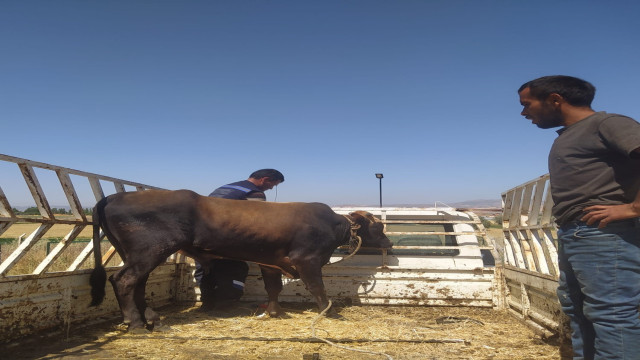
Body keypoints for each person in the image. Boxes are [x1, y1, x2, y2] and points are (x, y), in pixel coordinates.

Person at [518, 75, 640, 359]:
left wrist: (634, 208)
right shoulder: (573, 133)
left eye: (527, 104)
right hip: (579, 233)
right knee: (577, 308)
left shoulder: (607, 124)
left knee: (611, 314)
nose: (524, 113)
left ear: (555, 100)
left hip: (606, 234)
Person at [195, 169, 285, 310]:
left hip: (202, 239)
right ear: (264, 179)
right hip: (225, 240)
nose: (271, 188)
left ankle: (207, 304)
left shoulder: (225, 188)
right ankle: (226, 305)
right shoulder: (255, 193)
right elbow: (256, 222)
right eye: (273, 184)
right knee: (235, 269)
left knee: (206, 270)